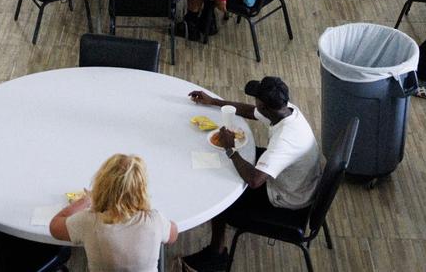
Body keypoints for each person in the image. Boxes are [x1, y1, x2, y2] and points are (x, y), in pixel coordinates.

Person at [182, 77, 322, 272]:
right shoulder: (286, 110)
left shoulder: (285, 139)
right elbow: (250, 111)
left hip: (288, 198)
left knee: (222, 191)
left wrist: (230, 149)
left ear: (265, 106)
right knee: (231, 164)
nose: (255, 104)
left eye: (257, 100)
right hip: (297, 180)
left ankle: (216, 255)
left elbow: (254, 180)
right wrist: (214, 102)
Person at [49, 153, 178, 272]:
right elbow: (173, 234)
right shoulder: (154, 221)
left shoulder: (89, 221)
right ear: (142, 190)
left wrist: (85, 200)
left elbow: (54, 226)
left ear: (100, 186)